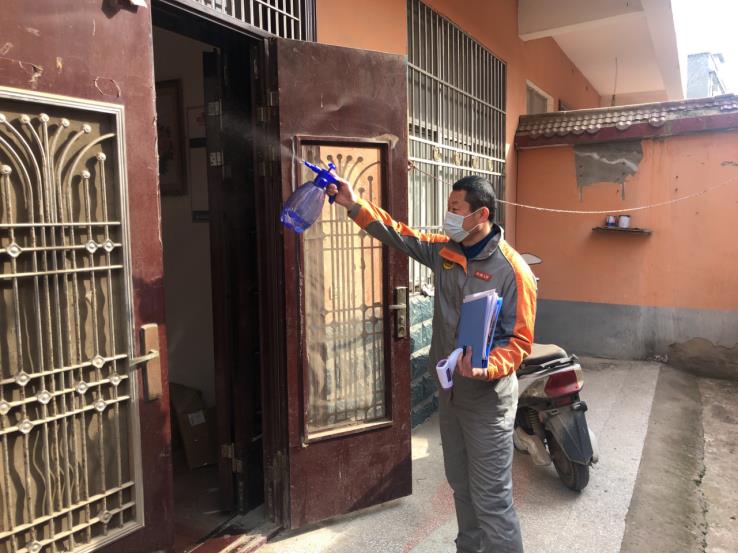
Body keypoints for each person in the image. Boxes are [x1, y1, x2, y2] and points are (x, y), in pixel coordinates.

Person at [327, 173, 536, 553]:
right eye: (448, 207)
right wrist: (353, 205)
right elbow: (400, 235)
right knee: (461, 485)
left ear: (481, 214)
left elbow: (519, 342)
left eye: (455, 208)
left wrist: (486, 367)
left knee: (491, 497)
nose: (448, 215)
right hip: (451, 394)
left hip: (488, 401)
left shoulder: (512, 271)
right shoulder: (445, 252)